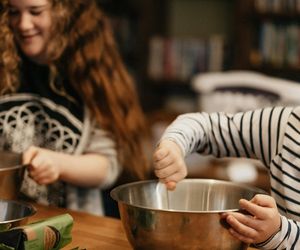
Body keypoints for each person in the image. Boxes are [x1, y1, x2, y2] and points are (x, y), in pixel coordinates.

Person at [0, 0, 149, 216]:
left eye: (36, 12)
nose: (23, 24)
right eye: (13, 12)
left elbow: (107, 167)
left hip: (71, 222)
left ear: (64, 12)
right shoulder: (5, 65)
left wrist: (58, 164)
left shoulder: (91, 72)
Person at [153, 107, 300, 249]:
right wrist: (173, 146)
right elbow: (205, 126)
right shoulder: (286, 126)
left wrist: (279, 233)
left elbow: (281, 234)